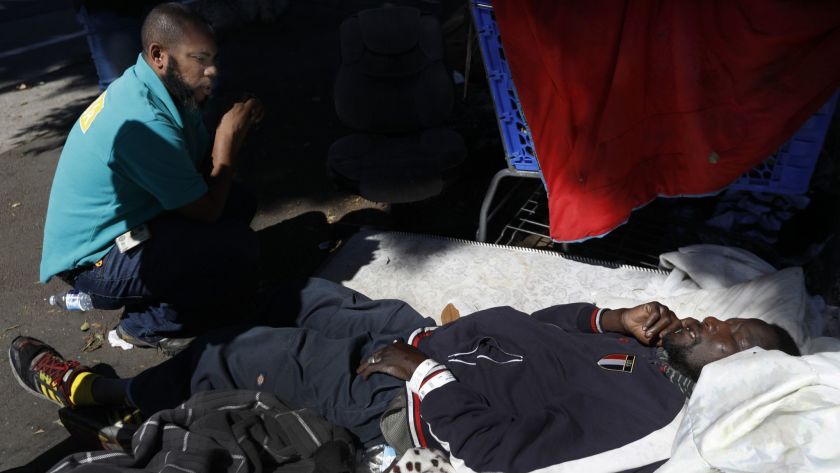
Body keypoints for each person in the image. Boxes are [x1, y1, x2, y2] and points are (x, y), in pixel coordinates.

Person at [9, 279, 800, 472]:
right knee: (301, 295)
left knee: (239, 352)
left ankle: (108, 398)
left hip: (398, 386)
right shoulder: (652, 356)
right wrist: (607, 318)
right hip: (423, 331)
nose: (711, 321)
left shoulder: (644, 418)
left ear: (742, 377)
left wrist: (421, 373)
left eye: (731, 337)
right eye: (726, 318)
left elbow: (500, 451)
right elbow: (541, 329)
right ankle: (160, 380)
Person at [39, 3, 264, 353]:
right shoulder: (145, 122)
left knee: (239, 205)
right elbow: (206, 210)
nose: (212, 71)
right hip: (95, 262)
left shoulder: (166, 89)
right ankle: (145, 324)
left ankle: (167, 290)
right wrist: (227, 142)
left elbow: (197, 170)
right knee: (235, 246)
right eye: (200, 59)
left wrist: (232, 128)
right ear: (159, 55)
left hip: (132, 223)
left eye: (213, 58)